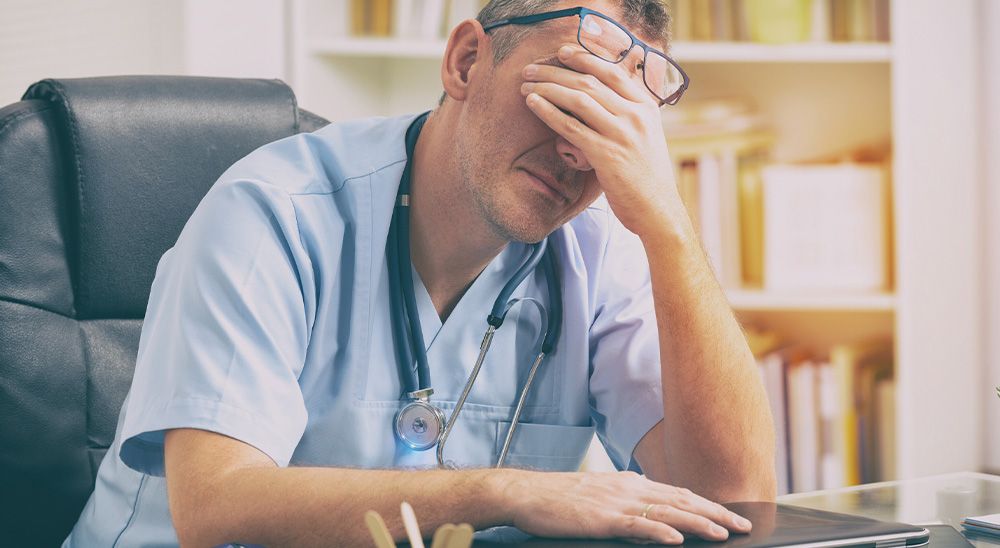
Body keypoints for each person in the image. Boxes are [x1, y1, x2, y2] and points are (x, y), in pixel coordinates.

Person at [64, 0, 776, 545]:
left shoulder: (600, 248)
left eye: (616, 129)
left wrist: (668, 224)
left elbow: (733, 499)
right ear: (466, 62)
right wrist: (506, 493)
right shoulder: (274, 211)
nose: (579, 154)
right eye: (570, 99)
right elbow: (215, 507)